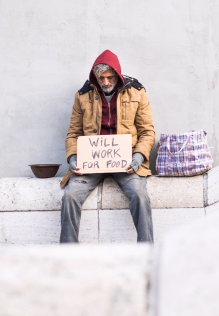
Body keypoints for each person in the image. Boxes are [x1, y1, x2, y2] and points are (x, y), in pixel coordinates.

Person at [59, 50, 155, 243]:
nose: (105, 82)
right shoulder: (83, 95)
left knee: (139, 195)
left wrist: (138, 157)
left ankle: (147, 251)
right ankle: (67, 254)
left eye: (110, 77)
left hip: (126, 161)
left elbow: (147, 131)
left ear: (117, 75)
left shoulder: (137, 91)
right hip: (91, 162)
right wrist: (73, 158)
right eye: (101, 78)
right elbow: (73, 133)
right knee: (69, 196)